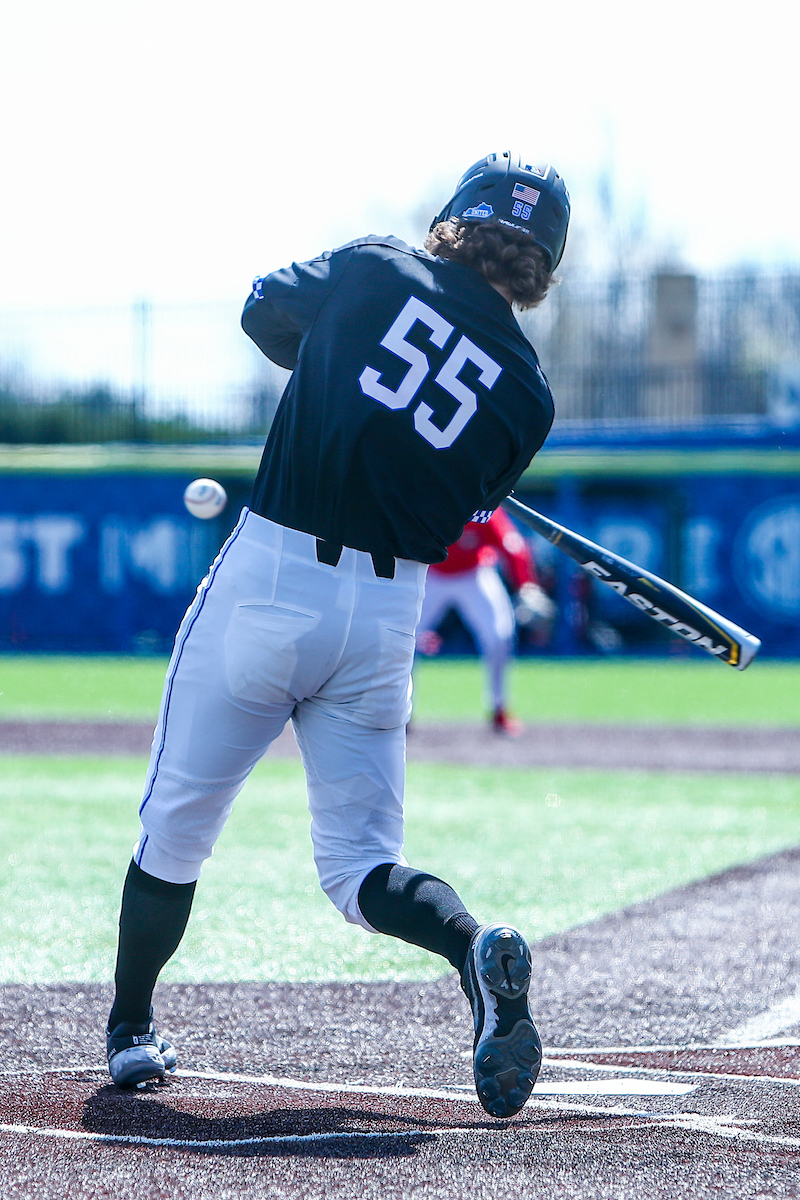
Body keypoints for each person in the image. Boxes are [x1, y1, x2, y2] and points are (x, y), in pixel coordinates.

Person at [105, 151, 570, 1120]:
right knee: (359, 865)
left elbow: (261, 312)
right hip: (383, 617)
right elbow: (467, 503)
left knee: (177, 827)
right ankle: (466, 947)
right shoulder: (526, 395)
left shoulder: (372, 267)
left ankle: (132, 1031)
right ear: (541, 263)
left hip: (270, 581)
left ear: (456, 216)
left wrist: (332, 365)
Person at [415, 507, 555, 735]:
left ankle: (499, 709)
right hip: (430, 573)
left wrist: (525, 586)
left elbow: (513, 547)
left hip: (474, 572)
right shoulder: (431, 500)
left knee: (499, 637)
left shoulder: (480, 504)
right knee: (402, 639)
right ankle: (399, 711)